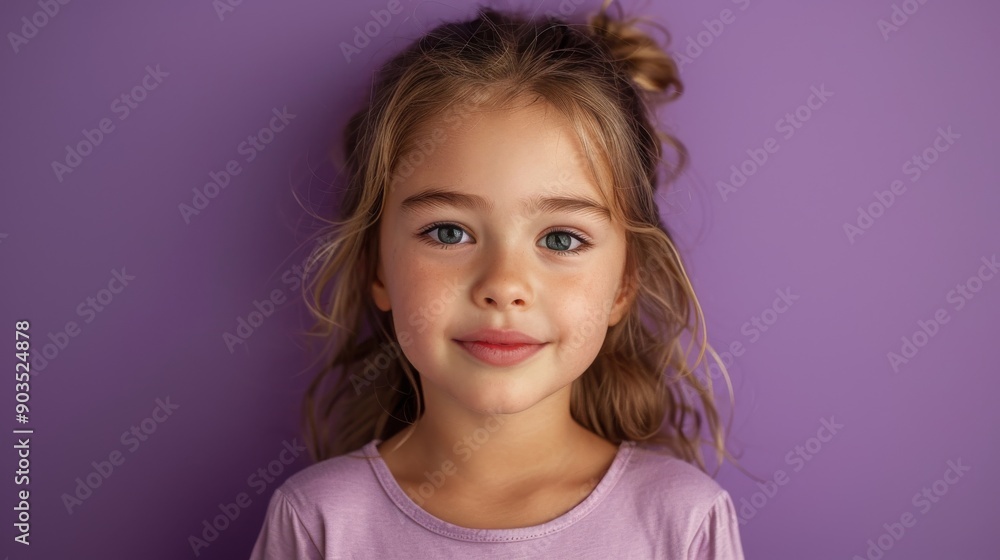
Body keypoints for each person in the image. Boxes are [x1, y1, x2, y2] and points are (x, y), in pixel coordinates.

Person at [250, 1, 746, 557]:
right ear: (377, 267)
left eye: (561, 239)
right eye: (448, 233)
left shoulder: (681, 520)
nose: (504, 285)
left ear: (625, 284)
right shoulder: (320, 519)